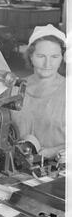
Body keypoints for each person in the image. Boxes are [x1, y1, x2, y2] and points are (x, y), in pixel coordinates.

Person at [11, 24, 66, 160]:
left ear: (62, 57)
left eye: (54, 57)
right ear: (31, 56)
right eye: (41, 56)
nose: (48, 64)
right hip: (16, 165)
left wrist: (53, 152)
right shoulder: (15, 88)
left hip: (56, 170)